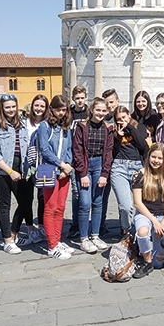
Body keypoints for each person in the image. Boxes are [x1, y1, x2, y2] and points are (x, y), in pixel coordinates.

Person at [0, 95, 31, 255]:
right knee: (5, 204)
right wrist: (9, 171)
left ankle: (14, 232)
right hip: (1, 171)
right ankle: (7, 241)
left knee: (25, 203)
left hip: (20, 169)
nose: (11, 110)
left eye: (13, 107)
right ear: (2, 109)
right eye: (7, 107)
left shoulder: (23, 125)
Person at [72, 97, 114, 254]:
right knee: (84, 202)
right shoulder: (81, 126)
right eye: (98, 110)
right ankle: (83, 238)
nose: (101, 113)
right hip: (85, 165)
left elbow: (109, 152)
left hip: (99, 166)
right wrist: (82, 173)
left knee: (98, 202)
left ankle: (95, 235)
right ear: (92, 110)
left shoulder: (108, 129)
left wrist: (105, 173)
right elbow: (77, 150)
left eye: (104, 111)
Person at [131, 143, 164, 278]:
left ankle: (150, 255)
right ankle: (147, 261)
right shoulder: (140, 174)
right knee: (143, 232)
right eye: (153, 157)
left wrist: (162, 223)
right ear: (148, 156)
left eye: (159, 158)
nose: (156, 161)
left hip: (163, 215)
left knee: (160, 263)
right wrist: (154, 222)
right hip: (145, 214)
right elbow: (137, 203)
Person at [37, 95, 75, 260]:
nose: (61, 113)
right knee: (50, 207)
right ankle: (52, 245)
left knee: (60, 208)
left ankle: (57, 240)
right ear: (51, 109)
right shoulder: (44, 126)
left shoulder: (65, 126)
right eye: (58, 109)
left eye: (64, 109)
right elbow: (45, 150)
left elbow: (70, 148)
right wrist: (61, 164)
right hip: (49, 170)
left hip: (64, 172)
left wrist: (67, 166)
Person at [110, 105, 149, 238]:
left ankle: (142, 229)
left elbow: (143, 146)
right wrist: (118, 138)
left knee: (142, 202)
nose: (122, 121)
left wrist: (130, 127)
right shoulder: (115, 131)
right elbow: (113, 152)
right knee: (125, 205)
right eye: (119, 119)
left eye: (124, 117)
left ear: (129, 115)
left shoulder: (139, 127)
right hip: (119, 167)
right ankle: (126, 231)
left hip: (137, 166)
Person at [17, 94, 49, 246]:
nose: (39, 109)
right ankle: (30, 227)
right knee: (27, 197)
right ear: (32, 106)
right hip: (28, 164)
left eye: (42, 106)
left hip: (44, 165)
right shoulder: (24, 123)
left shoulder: (49, 123)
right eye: (37, 105)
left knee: (43, 196)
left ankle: (42, 226)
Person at [66, 85, 88, 240]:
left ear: (85, 98)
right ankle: (75, 224)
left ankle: (86, 223)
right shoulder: (69, 113)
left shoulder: (89, 112)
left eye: (82, 98)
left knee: (87, 195)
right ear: (73, 99)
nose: (80, 101)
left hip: (88, 156)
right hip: (74, 158)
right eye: (77, 98)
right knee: (76, 193)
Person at [99, 88, 121, 238]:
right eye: (107, 103)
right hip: (105, 162)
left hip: (120, 161)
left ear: (118, 101)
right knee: (102, 196)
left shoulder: (124, 117)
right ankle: (100, 224)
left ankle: (124, 226)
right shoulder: (103, 120)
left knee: (123, 198)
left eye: (112, 102)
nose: (110, 106)